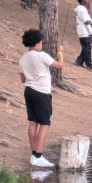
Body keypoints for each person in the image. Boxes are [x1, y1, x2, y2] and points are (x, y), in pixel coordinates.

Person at [19, 29, 64, 168]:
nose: (42, 44)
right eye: (41, 41)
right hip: (41, 92)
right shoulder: (42, 55)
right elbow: (59, 66)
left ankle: (34, 154)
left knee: (33, 122)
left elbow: (22, 78)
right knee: (45, 123)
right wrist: (61, 52)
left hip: (29, 90)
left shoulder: (23, 58)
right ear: (36, 42)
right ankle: (38, 156)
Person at [74, 0, 92, 71]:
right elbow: (86, 22)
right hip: (84, 31)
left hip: (83, 31)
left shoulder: (82, 9)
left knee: (85, 48)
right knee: (87, 48)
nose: (88, 0)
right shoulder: (82, 9)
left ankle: (79, 61)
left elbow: (88, 21)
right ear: (82, 0)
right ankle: (88, 64)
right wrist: (91, 32)